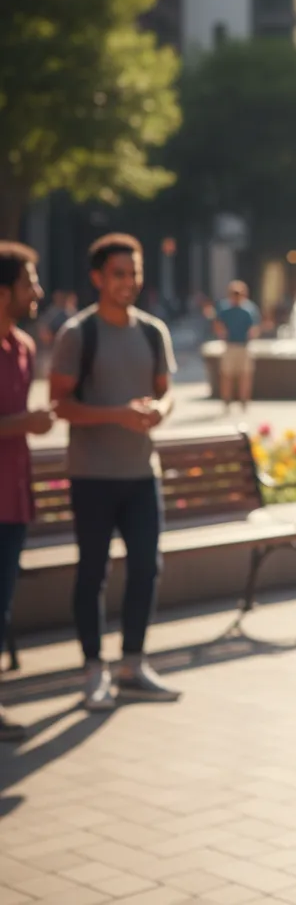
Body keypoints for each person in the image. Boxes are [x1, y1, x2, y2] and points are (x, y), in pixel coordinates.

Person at [50, 233, 180, 711]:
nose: (129, 282)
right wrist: (116, 414)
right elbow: (59, 405)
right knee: (93, 573)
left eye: (135, 273)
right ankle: (92, 670)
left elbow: (166, 392)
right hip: (92, 476)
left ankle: (132, 663)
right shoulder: (76, 334)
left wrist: (158, 412)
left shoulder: (152, 331)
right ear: (98, 278)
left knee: (147, 567)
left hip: (141, 474)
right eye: (120, 274)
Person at [0, 243, 55, 741]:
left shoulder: (23, 346)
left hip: (13, 501)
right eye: (29, 282)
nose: (37, 291)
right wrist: (26, 422)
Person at [214, 280, 261, 412]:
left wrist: (252, 334)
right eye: (234, 293)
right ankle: (226, 401)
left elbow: (255, 326)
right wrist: (222, 334)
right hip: (230, 346)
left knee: (245, 375)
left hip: (244, 346)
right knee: (226, 375)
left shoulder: (250, 308)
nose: (236, 296)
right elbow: (217, 323)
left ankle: (244, 401)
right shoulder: (224, 308)